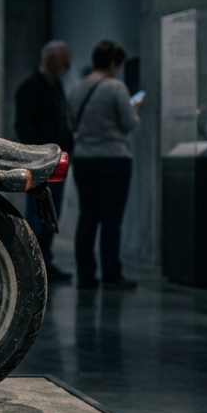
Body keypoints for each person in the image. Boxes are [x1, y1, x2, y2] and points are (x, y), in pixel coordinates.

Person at [67, 40, 142, 291]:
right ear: (113, 63)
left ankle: (85, 275)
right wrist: (136, 109)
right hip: (113, 159)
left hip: (84, 159)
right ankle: (111, 274)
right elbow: (128, 125)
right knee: (111, 220)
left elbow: (72, 123)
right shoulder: (115, 87)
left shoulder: (78, 87)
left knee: (87, 216)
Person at [14, 40, 74, 282]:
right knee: (39, 215)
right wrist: (41, 154)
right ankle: (35, 264)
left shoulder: (55, 86)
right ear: (51, 59)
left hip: (56, 161)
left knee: (50, 213)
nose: (68, 65)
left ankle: (44, 262)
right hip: (41, 163)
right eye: (64, 59)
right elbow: (24, 128)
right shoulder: (30, 88)